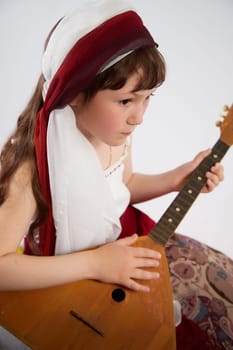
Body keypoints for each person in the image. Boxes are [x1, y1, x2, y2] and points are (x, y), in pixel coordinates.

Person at [0, 1, 226, 347]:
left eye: (148, 98)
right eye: (126, 101)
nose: (139, 117)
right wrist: (95, 264)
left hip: (115, 250)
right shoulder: (30, 171)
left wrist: (176, 178)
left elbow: (124, 186)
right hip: (65, 280)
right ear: (73, 93)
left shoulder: (115, 136)